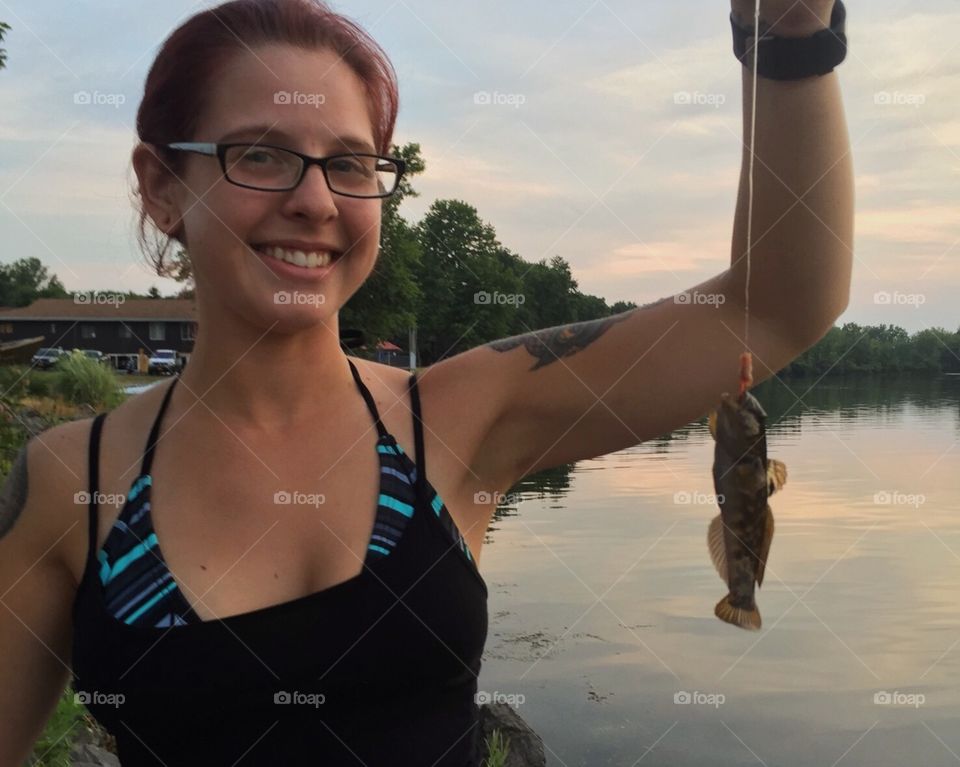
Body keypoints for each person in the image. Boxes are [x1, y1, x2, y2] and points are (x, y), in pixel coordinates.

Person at [0, 0, 852, 764]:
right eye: (260, 155)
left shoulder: (459, 415)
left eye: (351, 163)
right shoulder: (73, 480)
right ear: (161, 186)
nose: (315, 200)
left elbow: (771, 307)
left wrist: (785, 30)